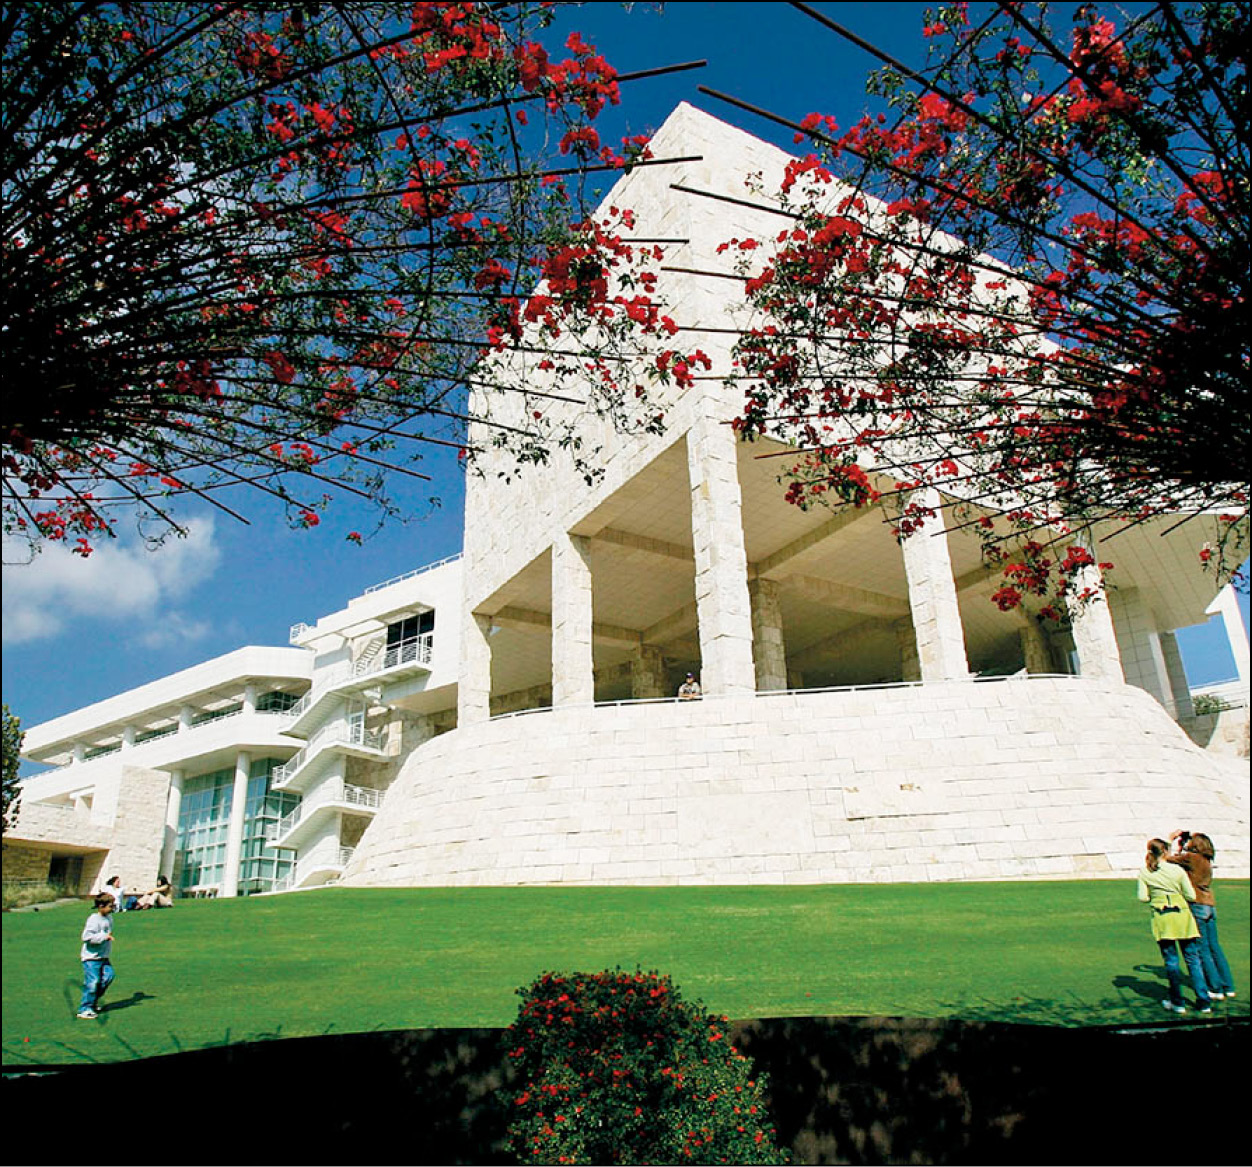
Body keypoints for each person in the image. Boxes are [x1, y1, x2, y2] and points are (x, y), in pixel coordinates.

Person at [1137, 838, 1211, 1015]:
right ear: (1166, 852)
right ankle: (1203, 1001)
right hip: (1182, 917)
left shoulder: (1145, 872)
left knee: (1171, 962)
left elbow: (1142, 897)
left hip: (1163, 918)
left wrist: (1157, 896)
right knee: (1193, 960)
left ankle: (1178, 1003)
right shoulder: (1177, 871)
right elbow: (1191, 895)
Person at [1167, 830, 1236, 1001]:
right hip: (1209, 904)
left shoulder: (1191, 858)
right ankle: (1228, 986)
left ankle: (1215, 987)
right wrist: (1182, 847)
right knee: (1215, 947)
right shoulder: (1206, 859)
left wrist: (1170, 840)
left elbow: (1167, 858)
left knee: (1202, 948)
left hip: (1197, 904)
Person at [77, 892, 116, 1019]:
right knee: (93, 982)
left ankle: (93, 1001)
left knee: (109, 976)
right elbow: (86, 937)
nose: (113, 908)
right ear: (101, 906)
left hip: (103, 956)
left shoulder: (109, 918)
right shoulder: (94, 919)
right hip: (91, 958)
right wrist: (104, 937)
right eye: (110, 906)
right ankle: (85, 1008)